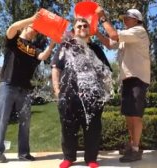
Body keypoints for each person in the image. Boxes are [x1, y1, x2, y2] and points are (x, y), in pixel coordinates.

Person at [0, 12, 56, 163]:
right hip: (8, 84)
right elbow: (12, 27)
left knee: (25, 121)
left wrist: (53, 43)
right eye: (32, 28)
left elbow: (42, 57)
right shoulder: (14, 40)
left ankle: (23, 153)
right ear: (25, 28)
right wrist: (33, 19)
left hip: (25, 88)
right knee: (3, 118)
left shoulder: (33, 48)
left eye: (36, 30)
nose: (34, 31)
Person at [51, 18, 112, 168]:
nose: (82, 28)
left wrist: (106, 91)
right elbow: (55, 68)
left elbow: (105, 72)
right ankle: (69, 158)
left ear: (89, 29)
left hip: (93, 97)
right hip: (68, 95)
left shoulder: (96, 49)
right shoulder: (65, 46)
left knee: (93, 128)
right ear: (74, 30)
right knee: (67, 128)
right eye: (79, 26)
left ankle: (91, 159)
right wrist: (57, 90)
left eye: (85, 26)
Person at [95, 7, 151, 162]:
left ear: (136, 20)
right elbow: (109, 43)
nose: (124, 20)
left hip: (138, 78)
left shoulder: (139, 31)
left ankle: (135, 149)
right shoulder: (126, 36)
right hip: (127, 78)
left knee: (135, 115)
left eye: (127, 18)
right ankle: (133, 144)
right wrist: (96, 33)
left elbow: (113, 34)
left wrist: (102, 18)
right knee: (128, 114)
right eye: (124, 18)